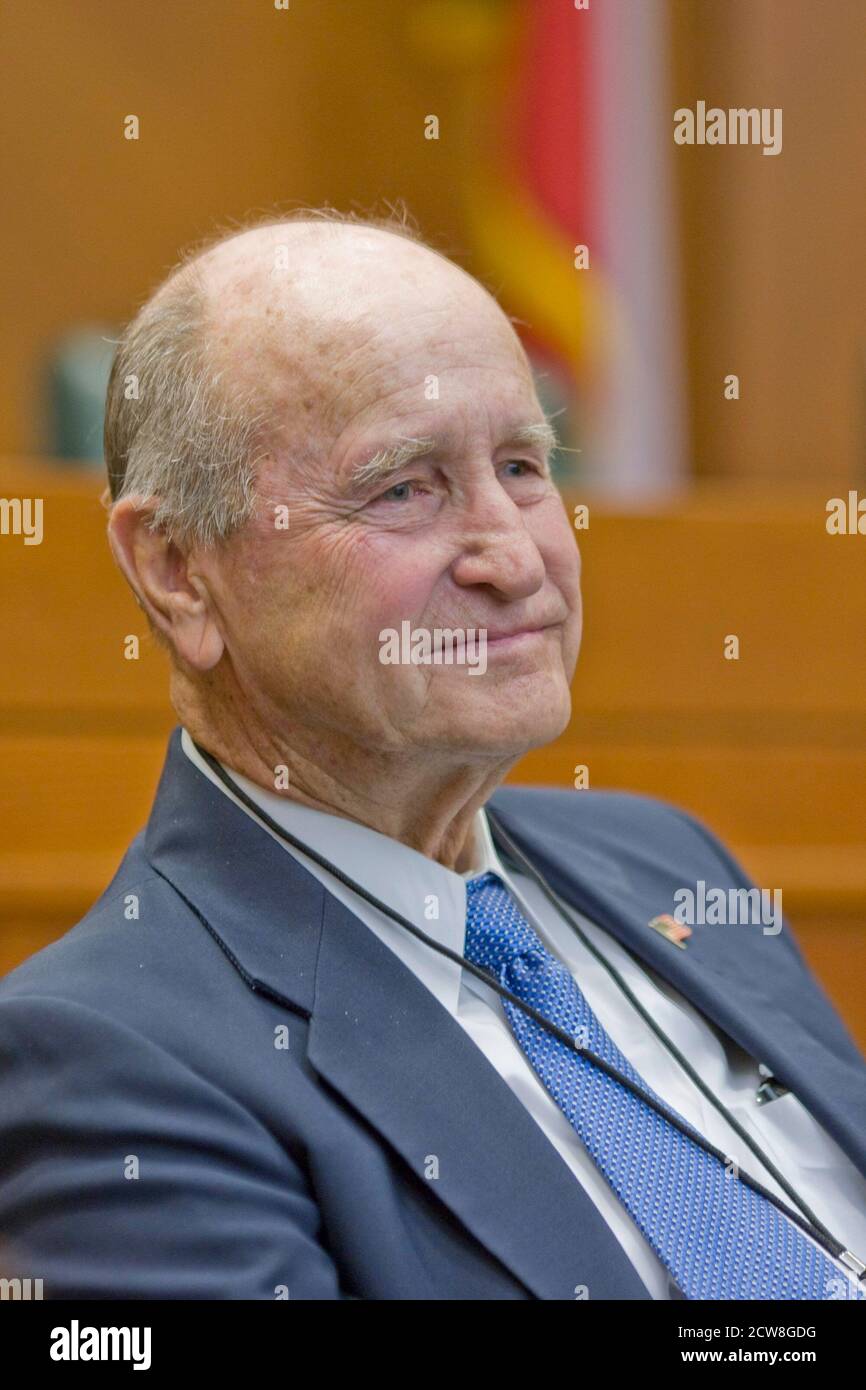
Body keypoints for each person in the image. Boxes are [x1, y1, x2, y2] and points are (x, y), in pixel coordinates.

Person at [1, 208, 865, 1301]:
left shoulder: (664, 863)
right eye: (403, 487)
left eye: (522, 464)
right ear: (178, 569)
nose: (512, 555)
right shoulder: (102, 1062)